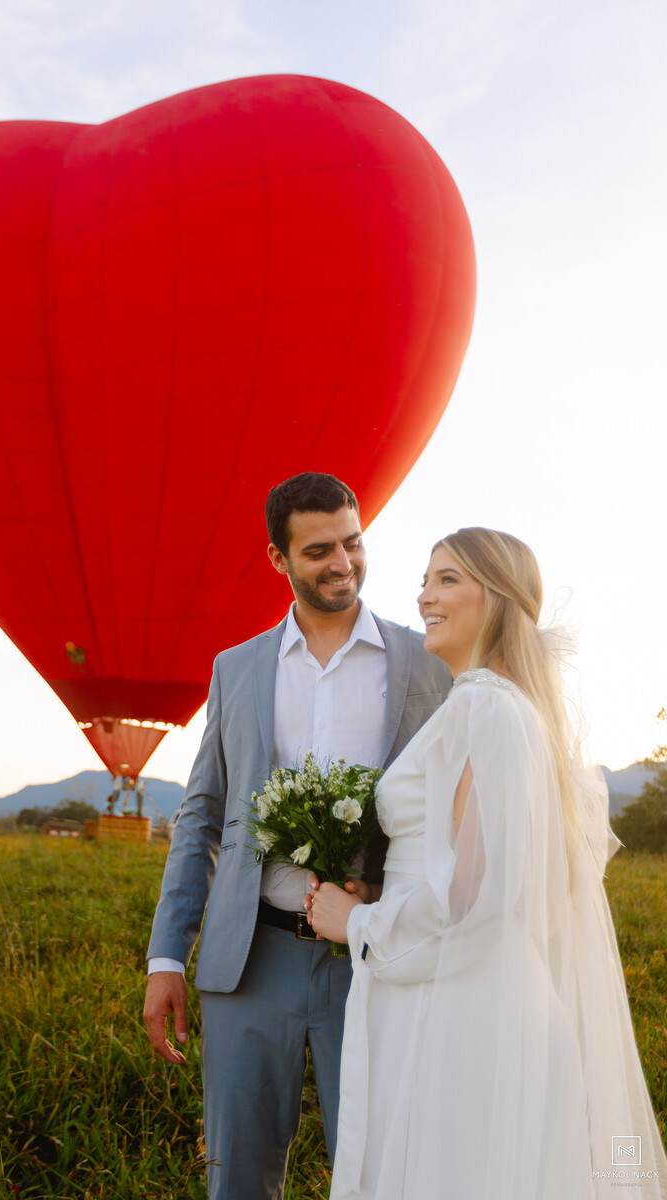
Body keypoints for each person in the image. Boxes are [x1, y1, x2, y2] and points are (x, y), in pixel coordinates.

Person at [308, 527, 667, 1199]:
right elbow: (474, 866)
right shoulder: (506, 709)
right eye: (424, 580)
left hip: (462, 1023)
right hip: (483, 1007)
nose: (424, 597)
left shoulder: (484, 708)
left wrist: (356, 921)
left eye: (447, 579)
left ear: (497, 598)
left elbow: (474, 898)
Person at [143, 472, 451, 1200]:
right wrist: (165, 955)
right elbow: (201, 817)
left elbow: (456, 813)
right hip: (249, 962)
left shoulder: (430, 665)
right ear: (279, 560)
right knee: (237, 1180)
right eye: (318, 551)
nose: (342, 562)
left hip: (380, 961)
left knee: (381, 1174)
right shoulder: (236, 669)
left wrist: (390, 888)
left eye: (352, 542)